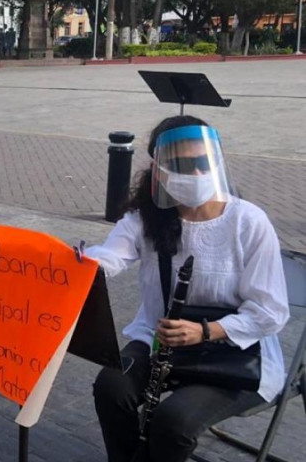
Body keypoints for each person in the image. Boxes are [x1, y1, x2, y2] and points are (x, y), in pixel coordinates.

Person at [85, 115, 289, 462]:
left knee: (172, 422)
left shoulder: (248, 221)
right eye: (183, 165)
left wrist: (205, 331)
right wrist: (65, 265)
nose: (196, 175)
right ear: (160, 170)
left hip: (234, 353)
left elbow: (270, 312)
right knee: (111, 387)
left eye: (203, 163)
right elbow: (107, 258)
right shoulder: (146, 219)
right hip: (160, 340)